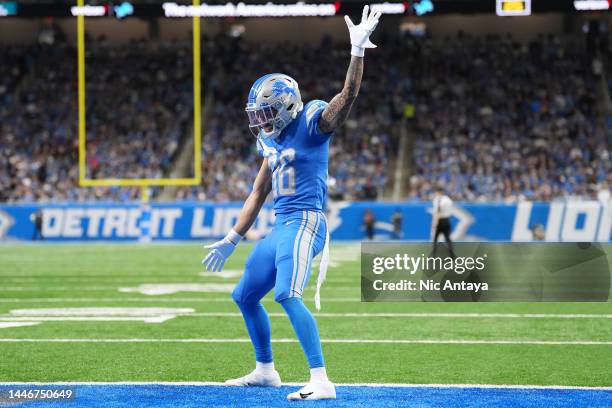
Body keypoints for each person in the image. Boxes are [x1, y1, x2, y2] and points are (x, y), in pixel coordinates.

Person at [202, 6, 381, 401]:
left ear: (286, 106)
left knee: (286, 294)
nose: (262, 121)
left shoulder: (312, 122)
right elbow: (257, 192)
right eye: (259, 114)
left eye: (267, 112)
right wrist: (232, 238)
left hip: (306, 222)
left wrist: (357, 52)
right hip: (280, 225)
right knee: (244, 296)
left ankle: (321, 379)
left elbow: (347, 96)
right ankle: (266, 370)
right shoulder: (271, 141)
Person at [431, 186, 456, 258]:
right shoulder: (448, 200)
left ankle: (434, 255)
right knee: (448, 239)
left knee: (435, 239)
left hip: (440, 220)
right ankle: (452, 255)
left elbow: (438, 211)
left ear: (439, 192)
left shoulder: (438, 200)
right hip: (447, 220)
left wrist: (435, 222)